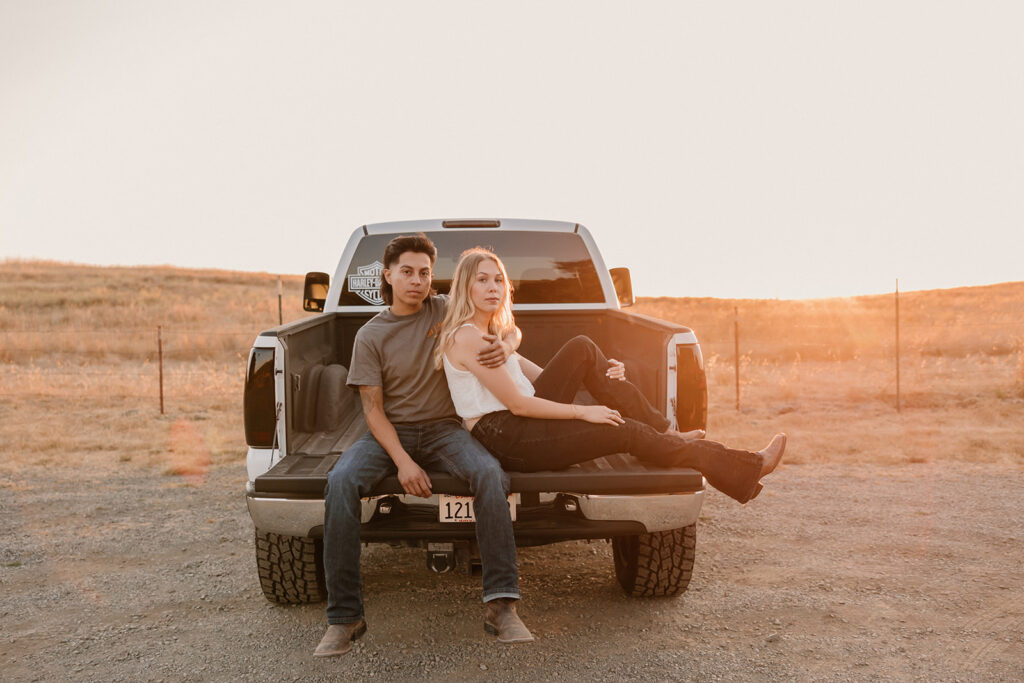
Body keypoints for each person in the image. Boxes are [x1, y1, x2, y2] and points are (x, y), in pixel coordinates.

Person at [314, 235, 533, 658]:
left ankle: (502, 605)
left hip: (445, 429)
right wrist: (403, 463)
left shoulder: (444, 311)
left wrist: (508, 343)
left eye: (425, 273)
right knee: (340, 481)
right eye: (407, 271)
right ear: (388, 275)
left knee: (490, 474)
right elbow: (373, 411)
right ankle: (344, 618)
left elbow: (506, 322)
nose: (417, 280)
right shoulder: (370, 335)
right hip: (390, 434)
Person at [435, 247, 788, 503]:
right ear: (466, 287)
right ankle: (741, 463)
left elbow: (544, 377)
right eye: (482, 280)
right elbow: (519, 404)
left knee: (584, 350)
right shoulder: (469, 338)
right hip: (507, 436)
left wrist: (603, 373)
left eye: (498, 279)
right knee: (626, 431)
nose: (493, 287)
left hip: (517, 428)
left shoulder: (492, 337)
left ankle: (667, 434)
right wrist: (584, 411)